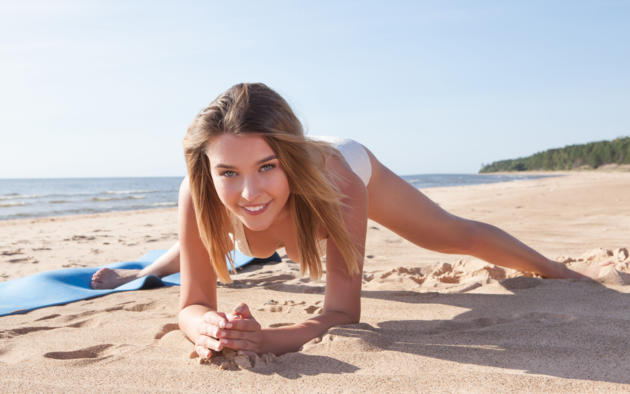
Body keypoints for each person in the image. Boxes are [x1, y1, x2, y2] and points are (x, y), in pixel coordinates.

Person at [91, 83, 588, 358]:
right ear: (207, 168)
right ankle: (146, 271)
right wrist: (206, 329)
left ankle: (554, 268)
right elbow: (195, 303)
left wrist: (266, 339)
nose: (248, 188)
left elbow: (341, 315)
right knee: (227, 220)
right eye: (227, 172)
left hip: (340, 168)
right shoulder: (201, 189)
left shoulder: (339, 182)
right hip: (255, 187)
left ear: (288, 159)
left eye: (267, 166)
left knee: (449, 234)